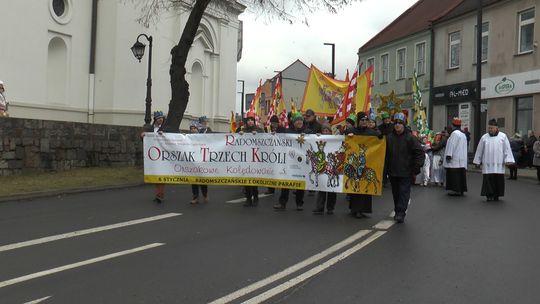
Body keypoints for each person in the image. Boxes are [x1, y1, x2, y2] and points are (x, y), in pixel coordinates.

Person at [385, 112, 425, 223]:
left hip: (406, 172)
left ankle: (401, 213)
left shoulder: (410, 138)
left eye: (400, 123)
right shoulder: (389, 138)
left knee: (404, 192)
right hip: (393, 171)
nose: (397, 125)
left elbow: (419, 152)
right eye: (396, 123)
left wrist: (417, 166)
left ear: (404, 124)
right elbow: (384, 153)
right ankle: (397, 209)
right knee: (396, 193)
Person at [346, 112, 381, 218]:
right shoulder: (352, 131)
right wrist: (347, 135)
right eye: (362, 120)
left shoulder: (372, 132)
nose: (364, 122)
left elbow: (380, 140)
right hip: (355, 161)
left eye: (366, 120)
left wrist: (380, 136)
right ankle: (355, 209)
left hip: (367, 161)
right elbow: (343, 137)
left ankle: (363, 209)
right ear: (358, 121)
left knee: (365, 184)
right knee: (356, 184)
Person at [473, 119, 515, 201]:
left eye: (491, 128)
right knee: (488, 179)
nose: (490, 130)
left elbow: (507, 149)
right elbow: (479, 150)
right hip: (488, 164)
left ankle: (496, 195)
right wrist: (477, 161)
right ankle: (489, 195)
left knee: (498, 180)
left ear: (496, 128)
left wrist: (508, 160)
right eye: (489, 128)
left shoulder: (503, 136)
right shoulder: (484, 137)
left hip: (499, 163)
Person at [274, 112, 307, 211]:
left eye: (301, 120)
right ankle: (282, 203)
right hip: (289, 160)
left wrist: (317, 135)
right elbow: (278, 138)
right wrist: (273, 135)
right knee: (286, 182)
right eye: (297, 120)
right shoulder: (287, 131)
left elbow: (315, 139)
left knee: (300, 182)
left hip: (301, 161)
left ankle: (299, 203)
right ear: (293, 122)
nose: (299, 122)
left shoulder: (307, 131)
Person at [239, 112, 264, 206]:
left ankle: (255, 195)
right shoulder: (243, 130)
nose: (250, 122)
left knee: (253, 178)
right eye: (248, 120)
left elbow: (265, 139)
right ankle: (248, 198)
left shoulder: (259, 130)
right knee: (246, 179)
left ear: (254, 121)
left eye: (251, 120)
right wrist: (240, 134)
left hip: (256, 158)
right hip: (246, 158)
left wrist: (258, 135)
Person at [141, 111, 166, 203]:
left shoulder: (165, 128)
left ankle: (160, 194)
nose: (161, 120)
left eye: (162, 118)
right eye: (159, 118)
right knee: (156, 175)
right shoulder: (150, 128)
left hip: (163, 155)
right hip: (153, 155)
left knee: (162, 175)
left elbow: (170, 138)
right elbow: (146, 141)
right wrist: (143, 136)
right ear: (155, 119)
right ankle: (158, 194)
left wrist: (164, 134)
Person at [313, 123, 337, 215]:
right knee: (321, 186)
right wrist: (316, 137)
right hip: (322, 165)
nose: (325, 132)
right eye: (324, 131)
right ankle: (319, 207)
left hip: (331, 165)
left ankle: (330, 207)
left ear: (330, 132)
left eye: (327, 131)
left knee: (332, 188)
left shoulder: (335, 139)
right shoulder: (319, 139)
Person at [444, 118, 468, 196]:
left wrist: (449, 154)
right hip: (461, 158)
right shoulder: (463, 134)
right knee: (461, 175)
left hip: (455, 158)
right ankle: (461, 189)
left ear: (453, 125)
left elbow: (452, 145)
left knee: (454, 176)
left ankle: (455, 190)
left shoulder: (454, 134)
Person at [264, 115, 287, 195]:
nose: (274, 124)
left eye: (275, 123)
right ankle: (270, 189)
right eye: (272, 123)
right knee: (270, 171)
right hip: (270, 152)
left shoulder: (282, 129)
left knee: (281, 170)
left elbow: (285, 138)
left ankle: (283, 187)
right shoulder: (267, 129)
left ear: (278, 123)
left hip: (280, 152)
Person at [189, 120, 209, 204]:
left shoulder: (203, 137)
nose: (193, 130)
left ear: (198, 129)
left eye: (194, 128)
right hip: (192, 162)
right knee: (193, 181)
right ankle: (195, 197)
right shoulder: (187, 137)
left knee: (202, 180)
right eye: (191, 128)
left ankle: (205, 195)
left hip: (201, 161)